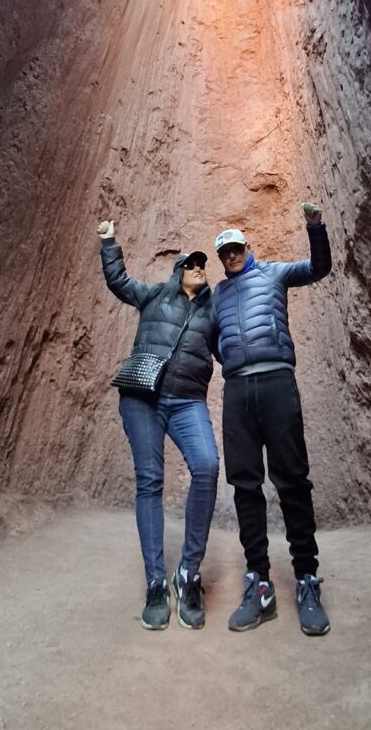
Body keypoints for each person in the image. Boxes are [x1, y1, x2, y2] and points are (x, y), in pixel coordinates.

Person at [212, 203, 332, 636]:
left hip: (278, 383)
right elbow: (213, 339)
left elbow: (319, 268)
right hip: (239, 391)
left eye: (237, 248)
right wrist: (234, 363)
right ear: (220, 258)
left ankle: (306, 580)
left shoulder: (275, 274)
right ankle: (258, 582)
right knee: (245, 486)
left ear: (248, 248)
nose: (231, 256)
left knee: (293, 481)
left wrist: (315, 227)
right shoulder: (218, 296)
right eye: (224, 252)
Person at [98, 219, 219, 631]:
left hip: (187, 401)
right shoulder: (154, 297)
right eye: (192, 264)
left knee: (206, 465)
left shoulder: (212, 311)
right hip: (143, 398)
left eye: (203, 265)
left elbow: (230, 346)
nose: (199, 268)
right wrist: (108, 241)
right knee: (150, 480)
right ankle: (155, 582)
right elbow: (118, 281)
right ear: (178, 271)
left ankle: (188, 575)